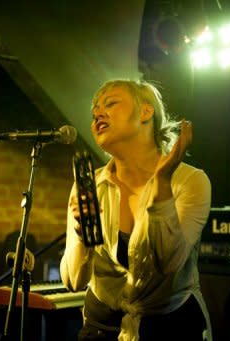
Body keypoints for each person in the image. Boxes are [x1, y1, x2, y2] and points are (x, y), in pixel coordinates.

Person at [60, 79, 212, 341]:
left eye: (110, 103)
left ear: (145, 112)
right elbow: (73, 281)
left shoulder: (189, 181)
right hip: (100, 328)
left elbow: (169, 262)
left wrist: (162, 183)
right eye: (94, 109)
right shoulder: (88, 186)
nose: (97, 112)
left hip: (170, 328)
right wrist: (82, 231)